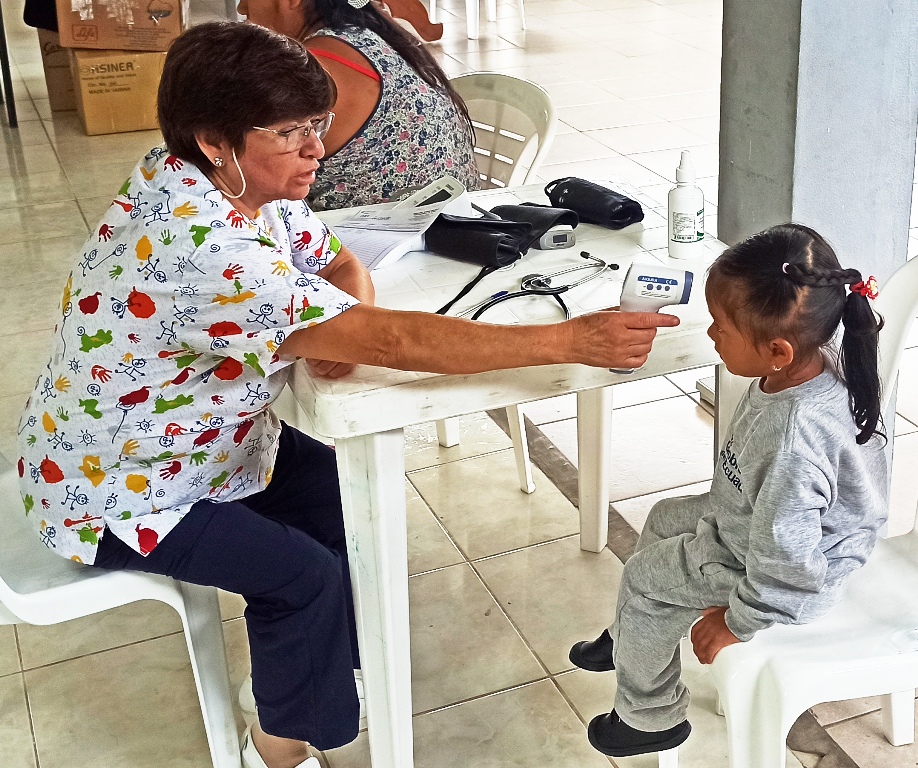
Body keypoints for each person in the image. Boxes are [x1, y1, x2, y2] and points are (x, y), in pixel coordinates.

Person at [16, 21, 678, 768]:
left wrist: (341, 321)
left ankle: (322, 670)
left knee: (342, 497)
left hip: (197, 447)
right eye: (291, 132)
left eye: (317, 125)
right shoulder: (202, 248)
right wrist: (568, 342)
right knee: (302, 576)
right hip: (117, 492)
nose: (316, 151)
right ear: (214, 139)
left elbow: (334, 263)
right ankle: (282, 742)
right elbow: (397, 343)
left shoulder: (228, 181)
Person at [568, 223, 888, 758]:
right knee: (665, 517)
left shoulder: (792, 441)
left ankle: (649, 716)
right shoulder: (811, 363)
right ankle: (632, 639)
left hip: (784, 570)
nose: (713, 334)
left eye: (721, 327)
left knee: (647, 580)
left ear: (777, 350)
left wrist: (739, 620)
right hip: (758, 523)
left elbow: (785, 558)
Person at [237, 0, 480, 210]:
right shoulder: (373, 31)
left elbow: (242, 178)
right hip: (463, 225)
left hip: (389, 245)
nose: (242, 7)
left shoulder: (309, 68)